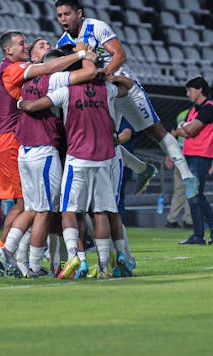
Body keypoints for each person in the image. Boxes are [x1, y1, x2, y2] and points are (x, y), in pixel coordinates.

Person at [0, 31, 93, 279]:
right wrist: (80, 54)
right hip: (10, 142)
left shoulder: (8, 68)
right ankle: (0, 255)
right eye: (22, 43)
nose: (26, 46)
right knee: (27, 204)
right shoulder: (13, 69)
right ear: (8, 50)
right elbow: (50, 67)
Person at [54, 0, 195, 197]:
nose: (63, 19)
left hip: (122, 83)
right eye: (59, 15)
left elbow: (119, 54)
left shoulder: (96, 27)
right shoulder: (63, 44)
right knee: (106, 140)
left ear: (79, 13)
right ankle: (142, 169)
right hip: (102, 92)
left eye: (67, 14)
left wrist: (107, 73)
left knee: (155, 131)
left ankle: (187, 176)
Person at [18, 60, 135, 279]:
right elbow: (127, 87)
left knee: (69, 211)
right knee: (102, 212)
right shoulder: (107, 90)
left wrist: (19, 103)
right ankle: (103, 266)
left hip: (78, 158)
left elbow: (34, 106)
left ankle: (74, 257)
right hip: (104, 159)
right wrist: (110, 77)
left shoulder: (66, 91)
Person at [0, 45, 99, 277]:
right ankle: (29, 263)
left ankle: (9, 251)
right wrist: (85, 55)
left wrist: (21, 104)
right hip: (43, 151)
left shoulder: (26, 81)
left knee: (32, 209)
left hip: (25, 151)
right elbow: (88, 74)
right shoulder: (53, 80)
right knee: (45, 211)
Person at [171, 76, 213, 245]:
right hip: (191, 155)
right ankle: (199, 234)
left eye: (190, 90)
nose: (188, 94)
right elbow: (184, 130)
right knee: (192, 195)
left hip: (200, 156)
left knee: (196, 195)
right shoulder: (194, 109)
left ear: (199, 89)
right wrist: (183, 129)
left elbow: (189, 130)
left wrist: (182, 129)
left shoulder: (209, 109)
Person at [165, 107, 193, 228]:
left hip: (181, 154)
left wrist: (169, 154)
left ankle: (172, 219)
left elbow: (172, 135)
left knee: (180, 189)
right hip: (189, 155)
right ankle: (188, 220)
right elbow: (174, 134)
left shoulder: (182, 114)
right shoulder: (196, 114)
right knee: (190, 188)